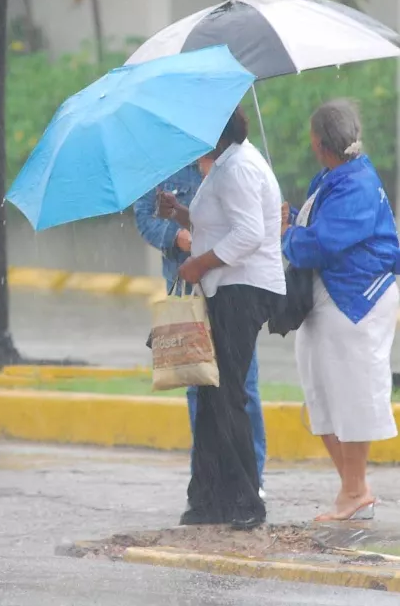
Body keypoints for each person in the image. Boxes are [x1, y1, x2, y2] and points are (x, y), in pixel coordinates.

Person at [157, 106, 284, 529]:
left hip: (241, 290)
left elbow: (250, 234)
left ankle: (246, 500)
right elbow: (218, 224)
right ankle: (208, 498)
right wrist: (178, 212)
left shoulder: (239, 169)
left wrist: (200, 264)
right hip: (225, 289)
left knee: (227, 394)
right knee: (211, 394)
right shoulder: (224, 166)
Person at [282, 99, 399, 522]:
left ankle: (353, 491)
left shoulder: (355, 184)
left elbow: (321, 243)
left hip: (356, 299)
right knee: (321, 393)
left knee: (349, 396)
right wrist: (292, 220)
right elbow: (318, 229)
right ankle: (356, 489)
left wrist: (288, 235)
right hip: (330, 300)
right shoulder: (335, 177)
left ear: (318, 142)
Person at [135, 163, 267, 497]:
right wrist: (177, 236)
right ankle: (209, 478)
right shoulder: (160, 163)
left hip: (233, 286)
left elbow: (249, 225)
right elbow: (144, 218)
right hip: (188, 291)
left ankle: (252, 480)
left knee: (243, 384)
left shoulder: (236, 163)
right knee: (197, 384)